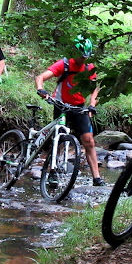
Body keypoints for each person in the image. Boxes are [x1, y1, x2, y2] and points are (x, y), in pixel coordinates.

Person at [35, 36, 105, 187]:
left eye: (85, 57)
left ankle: (97, 178)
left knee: (89, 141)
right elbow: (40, 77)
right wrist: (41, 89)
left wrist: (92, 104)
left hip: (79, 107)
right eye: (81, 56)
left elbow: (94, 89)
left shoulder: (89, 68)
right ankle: (52, 171)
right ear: (74, 51)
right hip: (61, 106)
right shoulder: (64, 65)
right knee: (58, 139)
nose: (82, 59)